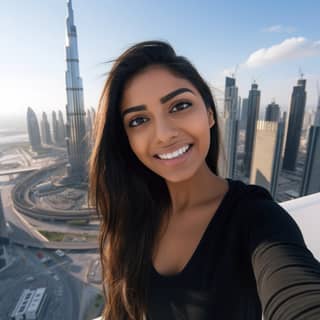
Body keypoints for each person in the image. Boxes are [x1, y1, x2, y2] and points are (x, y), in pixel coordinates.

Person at [89, 40, 320, 320]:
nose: (163, 134)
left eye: (180, 105)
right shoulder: (133, 218)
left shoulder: (257, 218)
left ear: (210, 113)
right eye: (138, 120)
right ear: (127, 140)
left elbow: (298, 294)